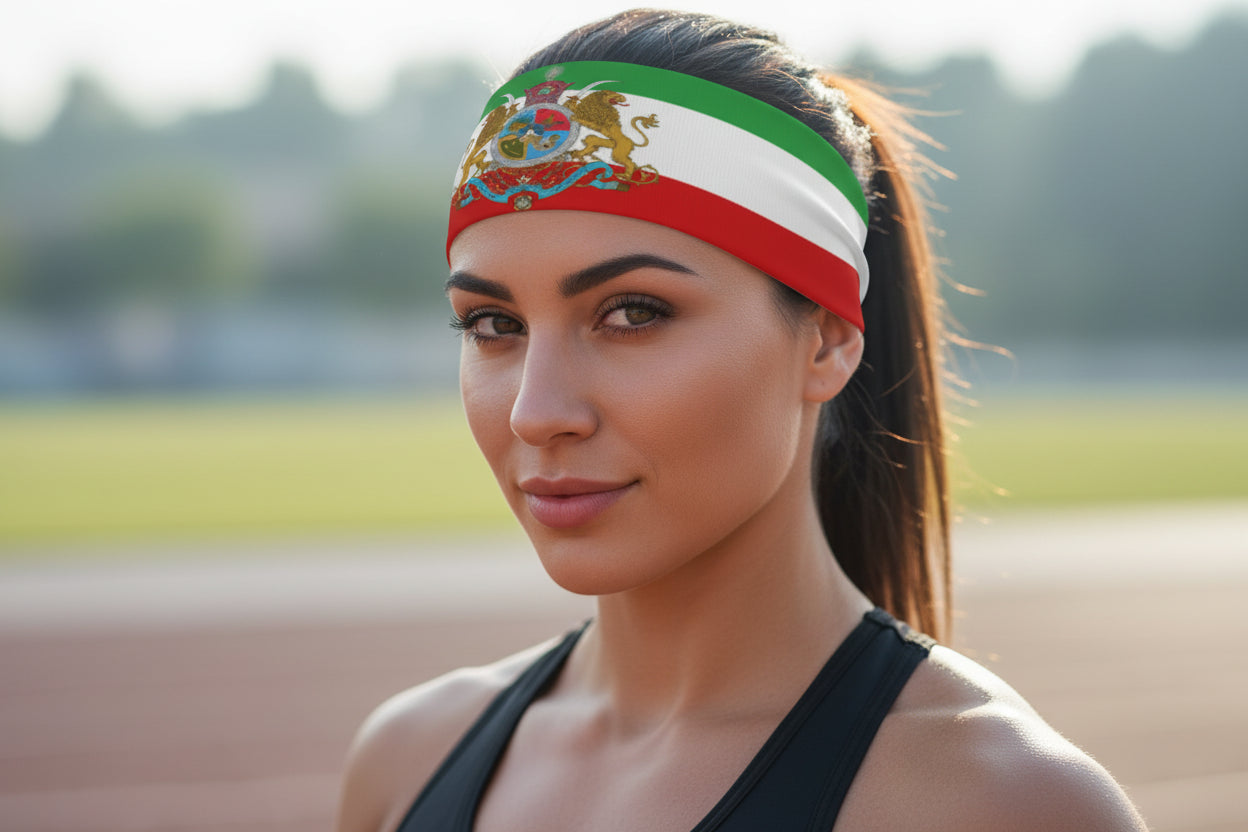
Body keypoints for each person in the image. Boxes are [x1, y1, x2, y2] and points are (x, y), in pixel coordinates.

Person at [336, 9, 1148, 831]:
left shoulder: (998, 804)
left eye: (633, 313)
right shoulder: (407, 761)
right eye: (492, 325)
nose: (536, 412)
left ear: (827, 340)